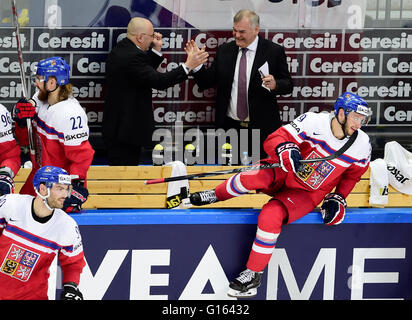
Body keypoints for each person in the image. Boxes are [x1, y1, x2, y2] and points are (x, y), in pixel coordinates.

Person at [189, 92, 372, 298]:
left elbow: (353, 175)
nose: (359, 123)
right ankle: (216, 194)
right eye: (356, 117)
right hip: (285, 170)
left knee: (270, 216)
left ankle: (253, 274)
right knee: (249, 177)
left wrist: (339, 196)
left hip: (306, 192)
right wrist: (285, 148)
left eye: (362, 119)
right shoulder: (314, 121)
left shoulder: (362, 145)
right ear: (341, 113)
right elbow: (274, 138)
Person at [188, 9, 293, 162]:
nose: (237, 35)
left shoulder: (273, 51)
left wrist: (276, 84)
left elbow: (288, 84)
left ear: (256, 29)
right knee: (232, 176)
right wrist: (196, 66)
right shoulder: (225, 50)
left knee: (262, 176)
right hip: (230, 128)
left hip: (262, 128)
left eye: (242, 31)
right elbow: (206, 82)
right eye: (234, 30)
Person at [103, 17, 208, 165]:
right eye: (151, 36)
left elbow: (141, 73)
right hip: (124, 132)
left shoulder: (124, 49)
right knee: (124, 176)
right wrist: (188, 65)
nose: (154, 38)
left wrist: (156, 50)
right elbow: (158, 81)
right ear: (140, 37)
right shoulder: (132, 56)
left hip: (122, 129)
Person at [12, 56, 94, 213]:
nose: (36, 83)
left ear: (52, 82)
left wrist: (74, 186)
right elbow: (25, 141)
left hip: (57, 184)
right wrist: (21, 122)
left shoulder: (70, 114)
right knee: (20, 212)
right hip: (38, 175)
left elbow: (81, 156)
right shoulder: (39, 99)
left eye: (39, 79)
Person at [0, 166, 85, 300]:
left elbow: (74, 263)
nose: (64, 194)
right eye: (59, 188)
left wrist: (71, 287)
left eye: (66, 189)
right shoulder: (11, 204)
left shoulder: (67, 226)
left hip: (32, 296)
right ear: (43, 188)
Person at [0, 103, 21, 196]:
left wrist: (5, 174)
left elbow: (9, 153)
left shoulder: (1, 110)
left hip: (7, 158)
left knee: (3, 186)